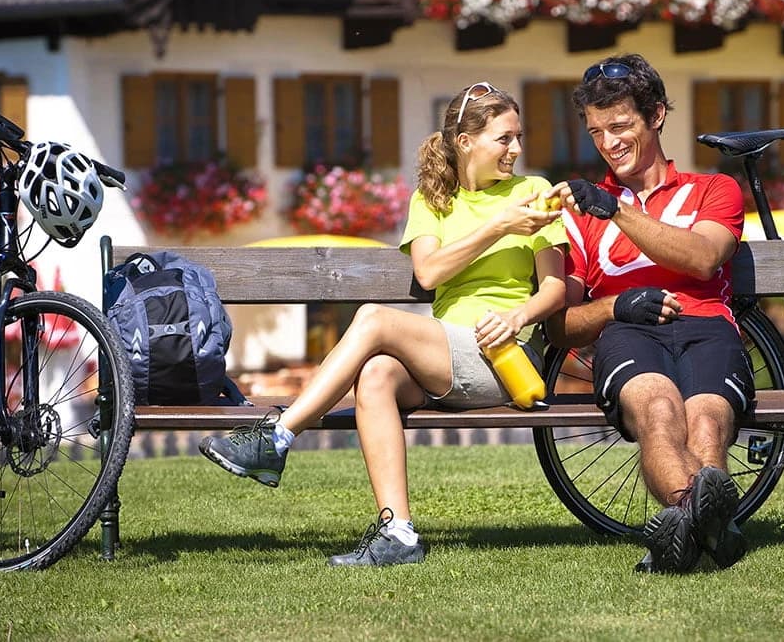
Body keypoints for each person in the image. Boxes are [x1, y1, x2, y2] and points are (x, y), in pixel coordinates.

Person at [200, 82, 567, 566]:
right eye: (504, 138)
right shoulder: (433, 199)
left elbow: (556, 289)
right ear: (465, 142)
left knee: (373, 317)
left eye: (518, 136)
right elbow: (430, 272)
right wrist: (498, 226)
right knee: (374, 376)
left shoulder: (533, 192)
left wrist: (518, 315)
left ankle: (279, 436)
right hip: (447, 353)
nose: (516, 149)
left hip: (506, 356)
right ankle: (398, 534)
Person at [544, 54, 753, 574]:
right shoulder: (579, 214)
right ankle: (709, 530)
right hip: (628, 334)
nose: (608, 143)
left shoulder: (713, 190)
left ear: (656, 115)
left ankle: (681, 533)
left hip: (707, 326)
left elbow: (703, 258)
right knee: (659, 414)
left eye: (620, 126)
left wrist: (616, 210)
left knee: (705, 421)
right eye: (596, 132)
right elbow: (558, 327)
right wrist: (616, 305)